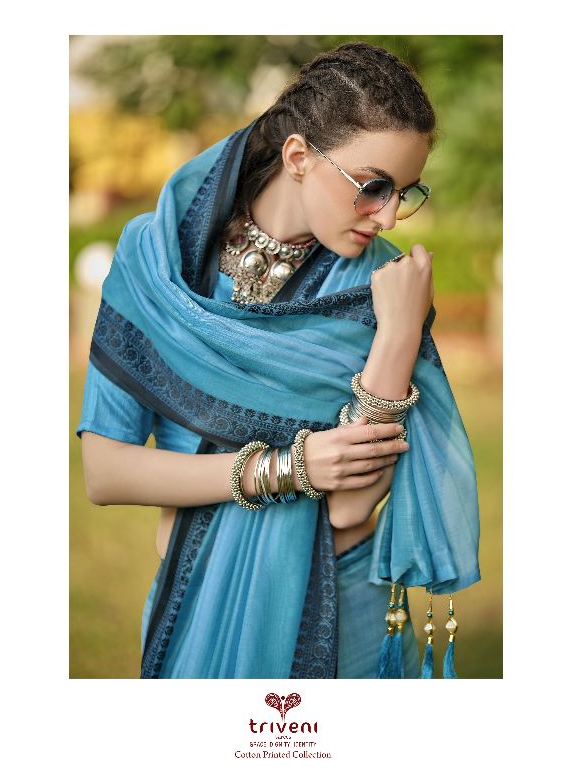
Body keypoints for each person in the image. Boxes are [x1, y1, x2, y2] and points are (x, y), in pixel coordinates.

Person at [76, 41, 480, 679]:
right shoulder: (159, 264)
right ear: (298, 157)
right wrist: (291, 467)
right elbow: (105, 472)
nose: (388, 217)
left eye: (405, 192)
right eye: (372, 187)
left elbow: (348, 508)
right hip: (194, 601)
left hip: (343, 616)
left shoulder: (384, 288)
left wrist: (400, 334)